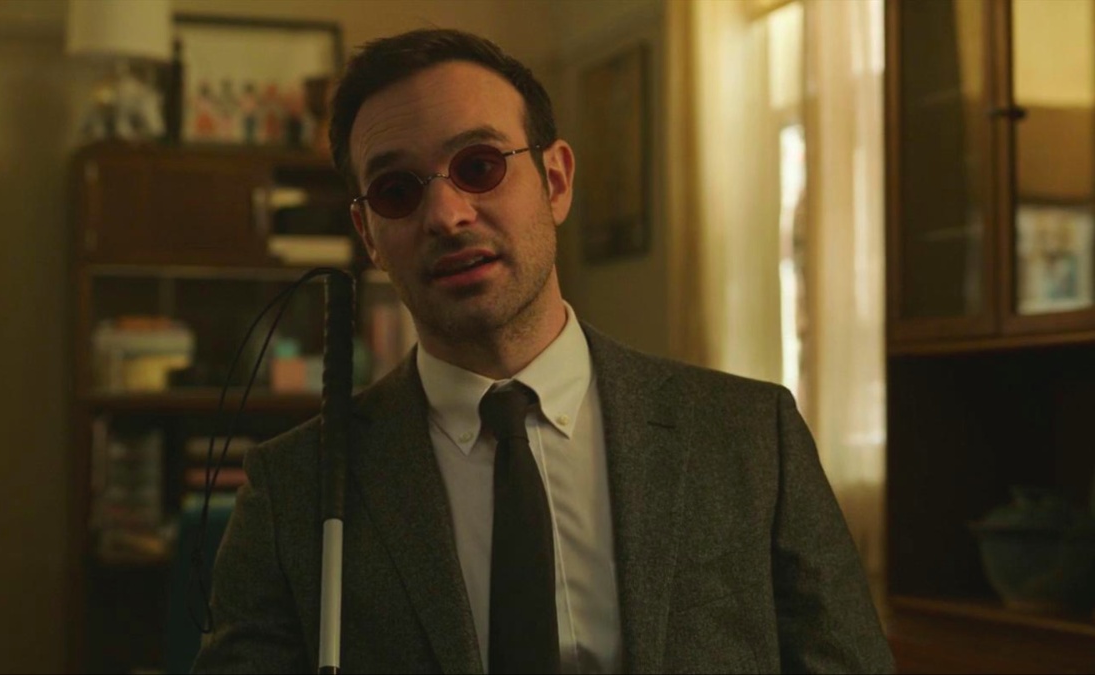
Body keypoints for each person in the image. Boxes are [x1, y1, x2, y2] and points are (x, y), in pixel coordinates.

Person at [193, 28, 894, 674]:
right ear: (369, 234)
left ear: (555, 181)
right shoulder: (295, 488)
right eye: (397, 190)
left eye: (478, 166)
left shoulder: (750, 438)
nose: (446, 216)